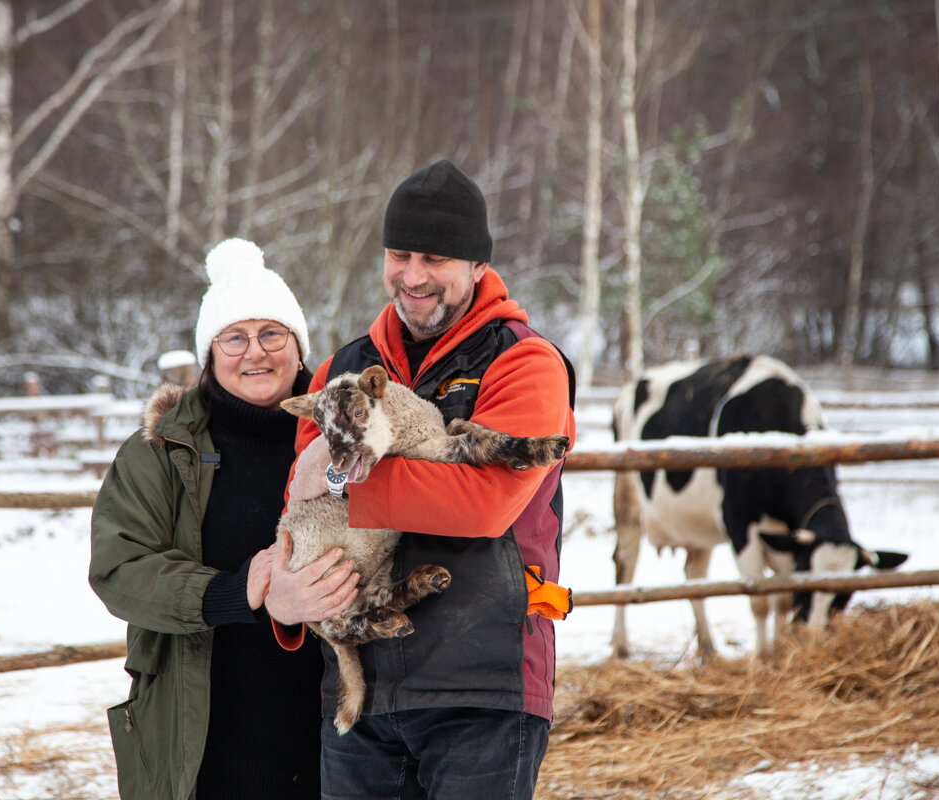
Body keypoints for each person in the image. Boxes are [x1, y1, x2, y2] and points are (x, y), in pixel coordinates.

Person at [282, 159, 577, 799]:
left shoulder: (526, 363)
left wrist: (341, 477)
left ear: (477, 266)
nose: (413, 277)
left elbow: (483, 503)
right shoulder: (342, 367)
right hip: (360, 691)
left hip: (483, 686)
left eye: (436, 259)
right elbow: (298, 506)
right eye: (400, 253)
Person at [89, 238, 361, 800]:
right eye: (234, 337)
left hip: (337, 738)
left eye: (272, 333)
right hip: (204, 736)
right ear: (209, 352)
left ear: (299, 345)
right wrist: (242, 593)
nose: (254, 352)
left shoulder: (346, 438)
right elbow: (120, 568)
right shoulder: (161, 451)